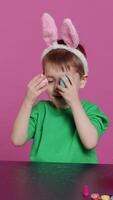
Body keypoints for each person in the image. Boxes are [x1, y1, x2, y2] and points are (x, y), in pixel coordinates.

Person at [11, 13, 109, 163]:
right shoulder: (41, 110)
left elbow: (90, 142)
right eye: (50, 80)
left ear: (82, 81)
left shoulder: (90, 111)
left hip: (79, 182)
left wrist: (74, 103)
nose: (57, 87)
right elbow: (17, 140)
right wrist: (28, 101)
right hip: (42, 181)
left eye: (64, 81)